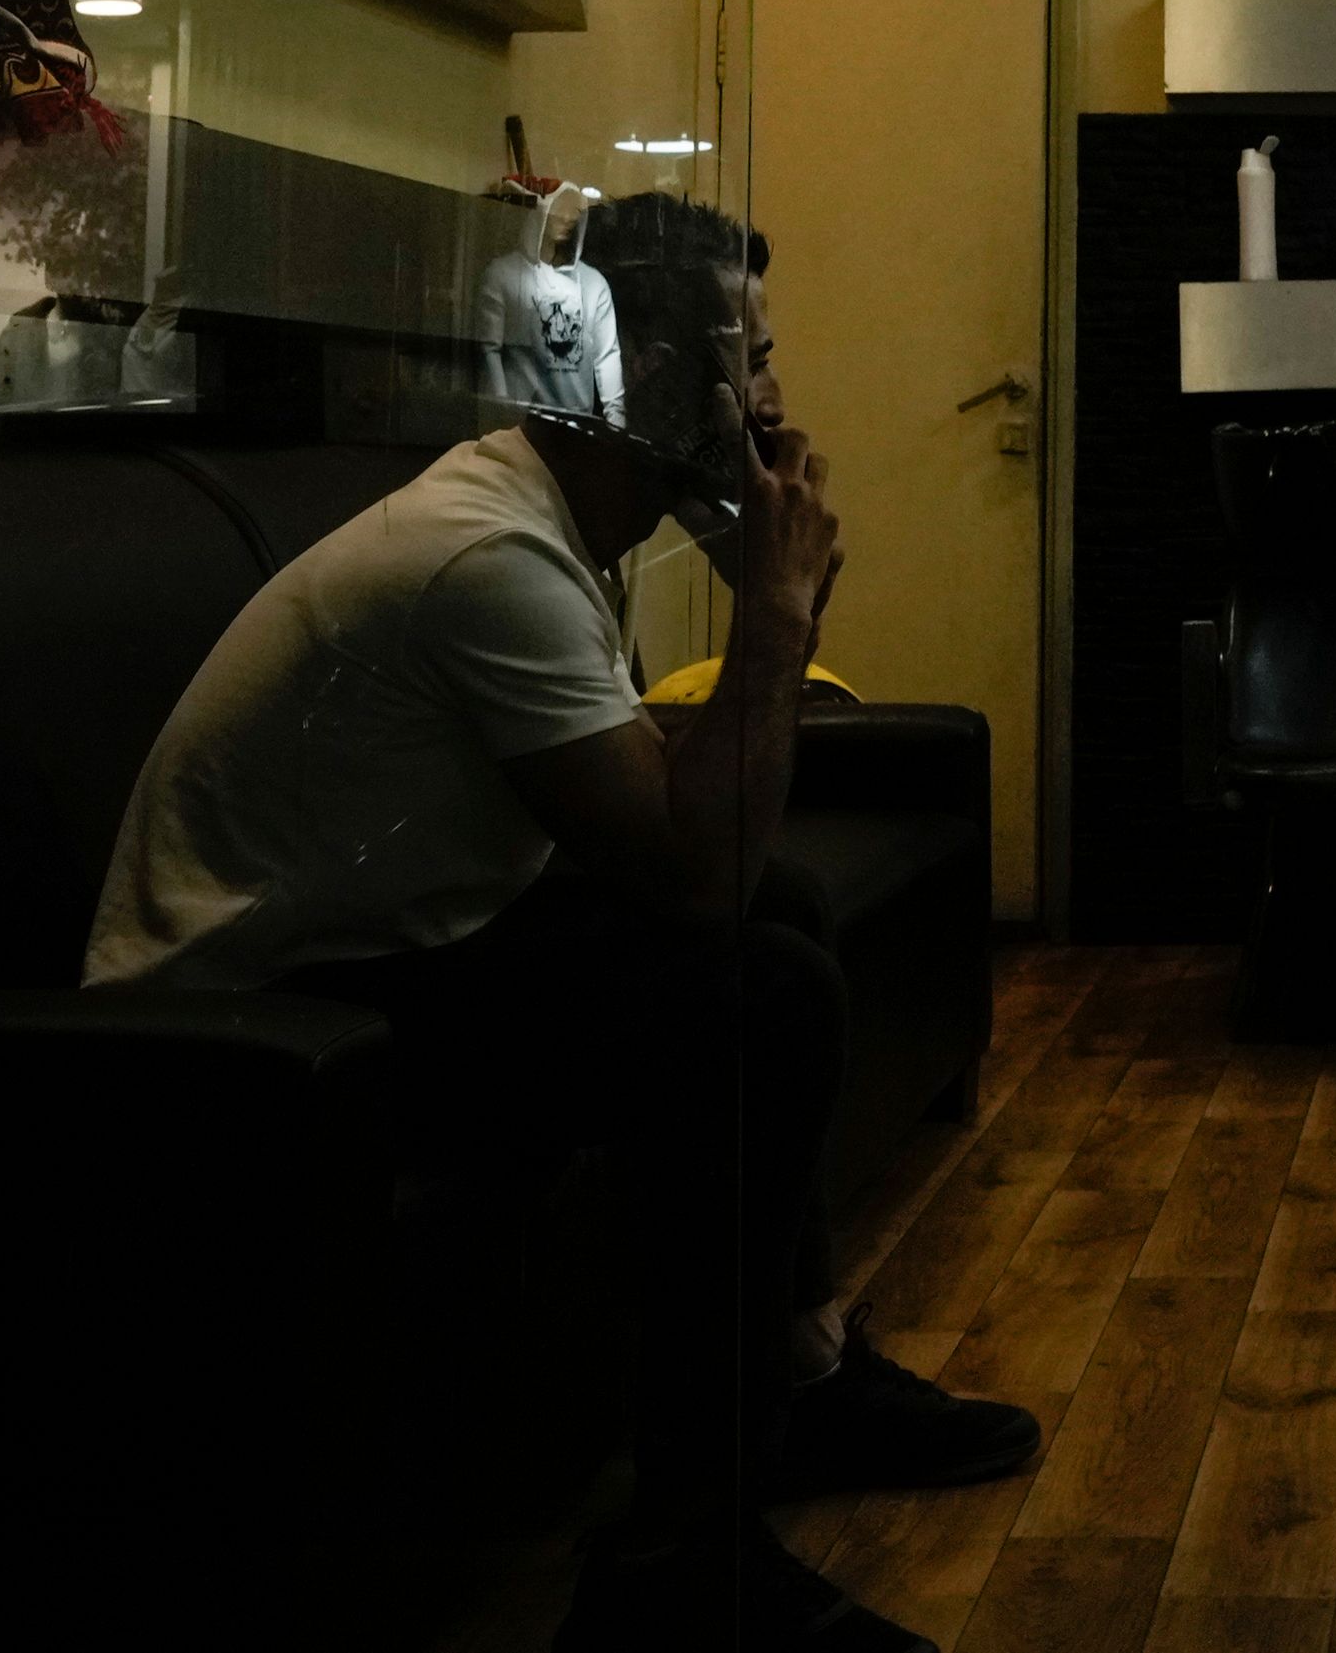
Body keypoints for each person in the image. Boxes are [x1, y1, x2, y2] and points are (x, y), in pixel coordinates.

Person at [83, 194, 1030, 1653]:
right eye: (743, 358)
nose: (771, 395)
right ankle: (680, 1562)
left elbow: (697, 852)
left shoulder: (559, 522)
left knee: (776, 917)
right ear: (635, 371)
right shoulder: (496, 560)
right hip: (250, 1025)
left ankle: (806, 1369)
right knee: (751, 992)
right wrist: (774, 623)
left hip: (389, 949)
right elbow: (689, 868)